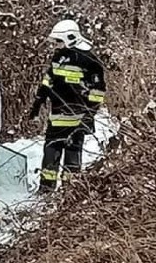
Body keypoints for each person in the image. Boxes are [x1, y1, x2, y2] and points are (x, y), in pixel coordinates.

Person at [28, 19, 106, 192]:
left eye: (59, 41)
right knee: (50, 155)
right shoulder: (60, 56)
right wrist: (38, 103)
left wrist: (89, 115)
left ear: (70, 37)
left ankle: (70, 193)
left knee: (72, 157)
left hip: (77, 120)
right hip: (56, 117)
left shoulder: (90, 60)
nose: (56, 45)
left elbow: (98, 92)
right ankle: (46, 190)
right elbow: (48, 81)